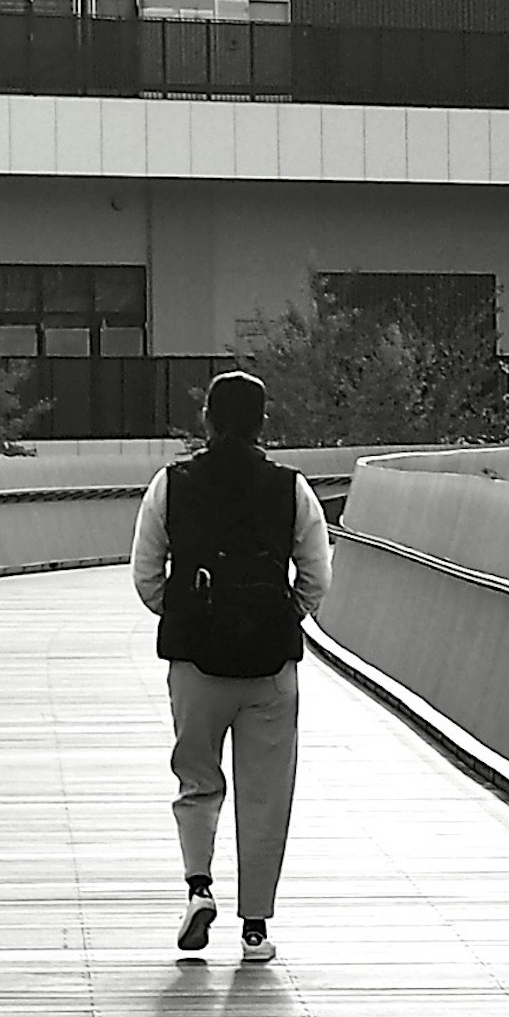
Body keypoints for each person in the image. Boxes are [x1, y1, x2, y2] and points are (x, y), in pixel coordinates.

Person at [131, 367, 332, 962]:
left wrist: (186, 617)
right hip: (270, 665)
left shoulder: (171, 484)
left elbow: (146, 573)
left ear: (207, 421)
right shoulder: (292, 489)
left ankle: (198, 888)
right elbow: (317, 574)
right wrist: (286, 616)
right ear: (263, 422)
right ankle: (255, 929)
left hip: (196, 663)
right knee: (266, 794)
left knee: (197, 780)